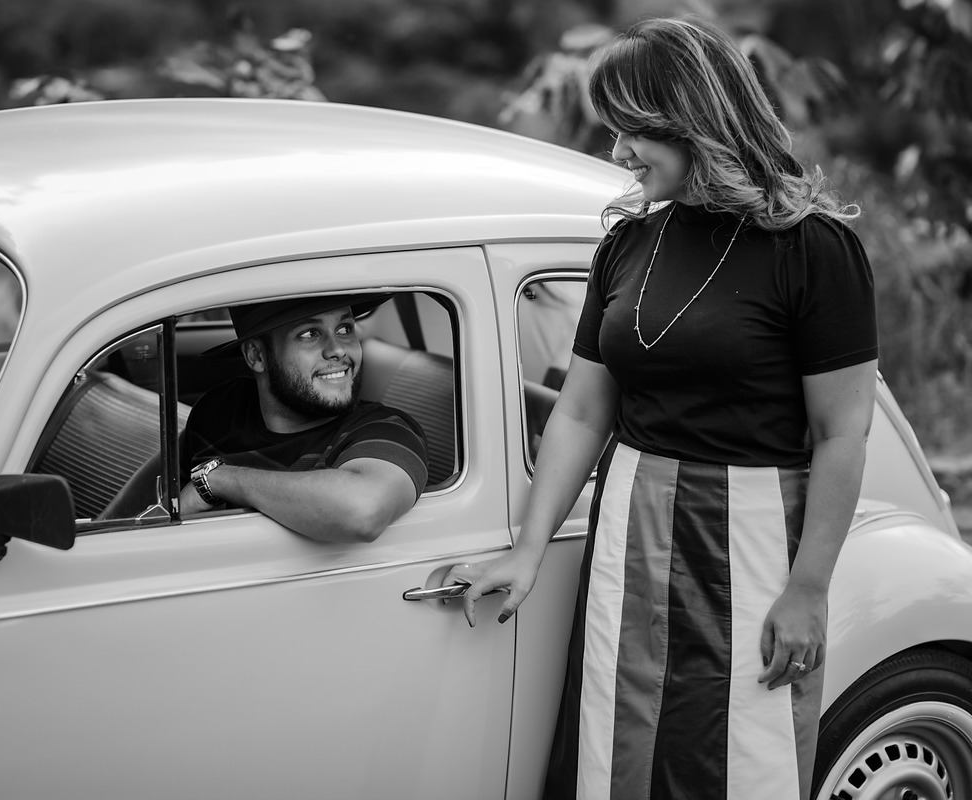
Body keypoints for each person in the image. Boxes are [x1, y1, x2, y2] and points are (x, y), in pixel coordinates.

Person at [451, 17, 878, 800]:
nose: (618, 154)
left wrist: (809, 589)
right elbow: (582, 411)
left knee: (743, 758)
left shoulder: (812, 247)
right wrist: (529, 549)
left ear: (692, 121)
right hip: (630, 532)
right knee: (619, 748)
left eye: (631, 132)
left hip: (753, 537)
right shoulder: (627, 246)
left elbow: (843, 432)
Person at [174, 294, 428, 542]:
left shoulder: (386, 430)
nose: (337, 350)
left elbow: (362, 511)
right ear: (257, 356)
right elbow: (150, 501)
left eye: (344, 328)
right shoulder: (221, 408)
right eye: (310, 334)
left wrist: (217, 481)